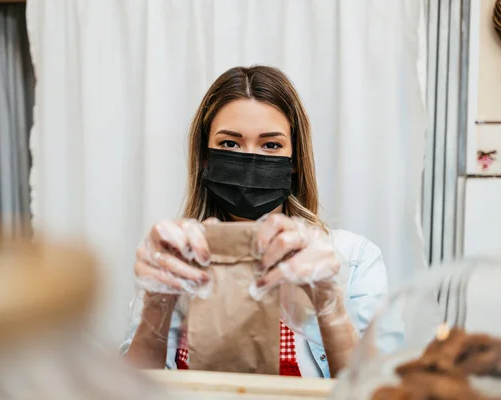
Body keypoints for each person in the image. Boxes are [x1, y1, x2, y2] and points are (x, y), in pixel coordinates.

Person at [121, 66, 402, 378]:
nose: (250, 159)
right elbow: (133, 389)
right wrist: (157, 302)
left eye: (271, 145)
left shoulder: (354, 258)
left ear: (295, 161)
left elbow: (378, 390)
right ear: (205, 158)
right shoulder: (175, 256)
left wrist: (328, 305)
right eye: (230, 144)